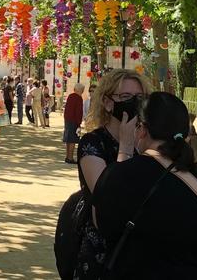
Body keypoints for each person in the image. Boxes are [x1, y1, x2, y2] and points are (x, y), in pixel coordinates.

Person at [92, 92, 197, 278]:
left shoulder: (116, 175)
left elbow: (102, 225)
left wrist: (124, 148)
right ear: (186, 134)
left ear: (142, 130)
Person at [71, 69, 154, 280]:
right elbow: (108, 199)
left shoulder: (149, 143)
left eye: (140, 98)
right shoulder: (92, 143)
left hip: (144, 249)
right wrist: (125, 146)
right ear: (108, 103)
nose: (134, 103)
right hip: (104, 252)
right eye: (125, 97)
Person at [62, 83, 85, 164]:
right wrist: (79, 123)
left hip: (68, 120)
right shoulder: (79, 98)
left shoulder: (70, 96)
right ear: (81, 90)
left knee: (68, 139)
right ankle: (70, 158)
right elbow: (78, 112)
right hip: (74, 121)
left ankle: (67, 156)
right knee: (73, 140)